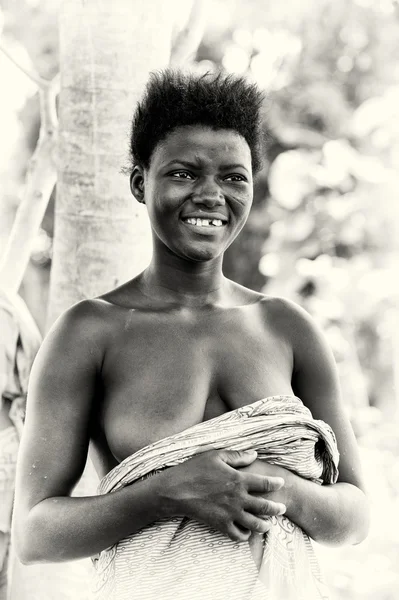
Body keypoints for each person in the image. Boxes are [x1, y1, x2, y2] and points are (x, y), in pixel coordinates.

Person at [13, 70, 369, 599]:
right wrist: (168, 493)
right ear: (140, 182)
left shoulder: (286, 327)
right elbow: (35, 534)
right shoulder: (91, 332)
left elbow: (355, 515)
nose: (211, 195)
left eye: (234, 177)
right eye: (183, 174)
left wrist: (278, 488)